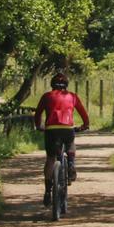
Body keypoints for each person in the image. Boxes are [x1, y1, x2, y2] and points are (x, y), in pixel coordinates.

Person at [34, 71, 90, 206]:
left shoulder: (46, 96)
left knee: (50, 159)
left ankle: (48, 191)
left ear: (52, 84)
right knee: (70, 143)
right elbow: (83, 113)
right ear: (66, 85)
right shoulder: (72, 96)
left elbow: (38, 114)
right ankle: (70, 164)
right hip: (67, 128)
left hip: (51, 130)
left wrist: (39, 126)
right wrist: (85, 125)